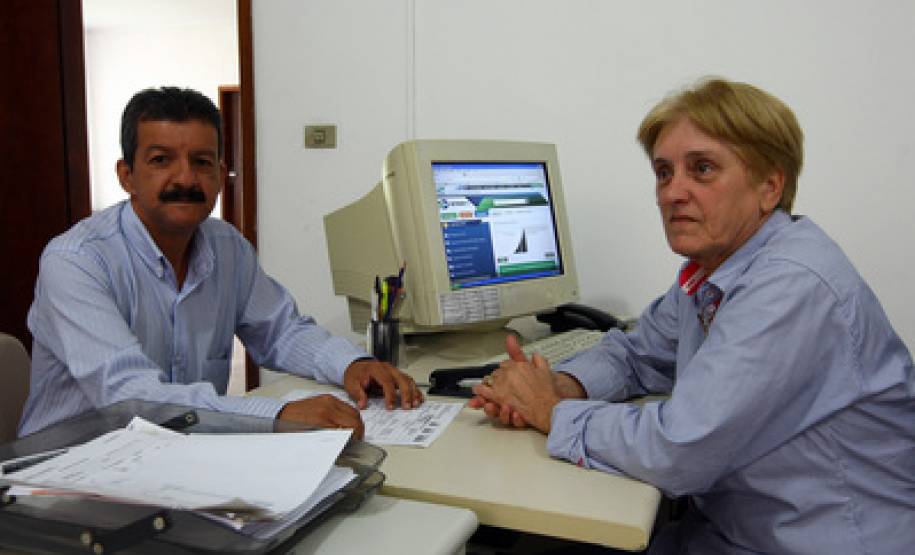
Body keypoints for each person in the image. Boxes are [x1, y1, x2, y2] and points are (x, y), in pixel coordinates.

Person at [469, 78, 915, 553]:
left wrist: (549, 411)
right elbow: (637, 354)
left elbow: (678, 451)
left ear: (769, 187)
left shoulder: (791, 284)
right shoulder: (714, 271)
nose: (671, 193)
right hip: (728, 527)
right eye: (664, 172)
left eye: (701, 169)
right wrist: (565, 385)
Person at [19, 86, 422, 439]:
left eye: (202, 161)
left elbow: (281, 332)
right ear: (127, 176)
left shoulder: (226, 246)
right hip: (67, 472)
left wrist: (353, 364)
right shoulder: (76, 261)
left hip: (177, 457)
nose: (186, 179)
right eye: (161, 160)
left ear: (220, 174)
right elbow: (131, 397)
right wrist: (277, 413)